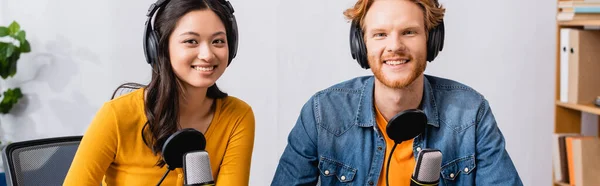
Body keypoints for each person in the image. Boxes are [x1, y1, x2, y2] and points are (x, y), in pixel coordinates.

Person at [271, 0, 522, 185]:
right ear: (361, 45)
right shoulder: (322, 114)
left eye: (409, 32)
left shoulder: (470, 114)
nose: (395, 46)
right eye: (380, 34)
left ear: (431, 40)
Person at [63, 0, 255, 185]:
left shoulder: (237, 116)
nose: (207, 54)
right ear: (159, 47)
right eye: (191, 41)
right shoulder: (117, 116)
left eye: (218, 41)